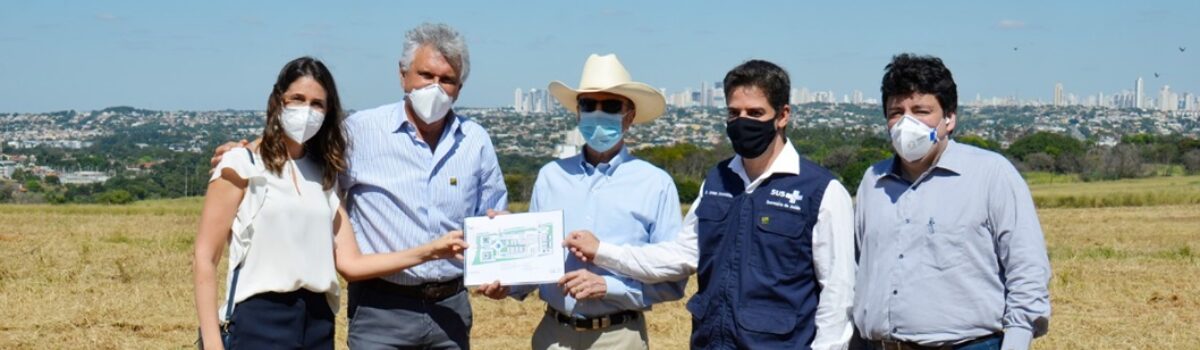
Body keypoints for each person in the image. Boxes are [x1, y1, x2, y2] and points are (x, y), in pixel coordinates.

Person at [210, 23, 507, 350]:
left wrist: (503, 276)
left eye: (447, 80)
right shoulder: (361, 132)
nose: (435, 87)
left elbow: (494, 217)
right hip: (380, 308)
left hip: (449, 308)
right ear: (403, 75)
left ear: (459, 88)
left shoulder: (476, 141)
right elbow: (305, 154)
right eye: (425, 75)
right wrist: (247, 149)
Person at [563, 60, 856, 349]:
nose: (743, 121)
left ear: (783, 116)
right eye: (734, 112)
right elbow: (680, 255)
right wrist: (602, 251)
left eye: (755, 113)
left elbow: (838, 294)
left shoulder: (821, 191)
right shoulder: (717, 181)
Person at [477, 54, 686, 350]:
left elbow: (672, 279)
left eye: (611, 105)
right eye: (589, 105)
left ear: (629, 115)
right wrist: (504, 278)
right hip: (553, 334)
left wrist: (610, 287)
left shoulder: (656, 184)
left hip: (619, 336)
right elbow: (536, 264)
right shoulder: (550, 176)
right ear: (578, 113)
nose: (597, 114)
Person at [852, 53, 1050, 350]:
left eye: (921, 111)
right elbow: (856, 272)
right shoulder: (873, 181)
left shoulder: (990, 175)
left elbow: (1027, 271)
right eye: (896, 112)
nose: (907, 122)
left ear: (949, 118)